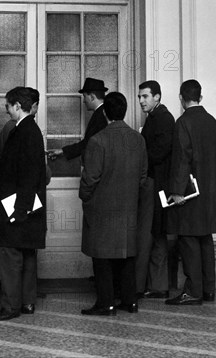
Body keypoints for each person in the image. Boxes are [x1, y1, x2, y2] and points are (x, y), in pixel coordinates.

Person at [79, 92, 147, 316]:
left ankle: (106, 303)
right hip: (129, 206)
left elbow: (90, 178)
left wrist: (85, 197)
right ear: (125, 110)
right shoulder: (138, 139)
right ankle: (130, 301)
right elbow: (143, 176)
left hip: (102, 207)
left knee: (102, 257)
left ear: (105, 112)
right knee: (127, 255)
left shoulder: (98, 140)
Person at [0, 87, 47, 321]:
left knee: (11, 254)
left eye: (8, 105)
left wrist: (19, 210)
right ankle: (27, 302)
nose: (6, 110)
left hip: (18, 205)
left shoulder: (23, 131)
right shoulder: (31, 130)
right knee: (27, 254)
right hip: (27, 204)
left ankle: (10, 306)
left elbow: (27, 174)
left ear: (17, 106)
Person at [165, 79, 216, 305]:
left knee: (188, 239)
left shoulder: (183, 122)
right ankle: (208, 290)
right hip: (209, 190)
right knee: (205, 238)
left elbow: (181, 160)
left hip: (190, 192)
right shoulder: (211, 121)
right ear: (200, 97)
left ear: (181, 98)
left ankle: (193, 291)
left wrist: (177, 191)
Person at [136, 81, 175, 299]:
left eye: (145, 96)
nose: (141, 101)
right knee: (156, 233)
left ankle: (157, 285)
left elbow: (159, 152)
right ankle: (157, 284)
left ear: (157, 97)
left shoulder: (162, 118)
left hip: (157, 184)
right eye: (140, 97)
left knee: (155, 233)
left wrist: (138, 161)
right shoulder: (156, 117)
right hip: (155, 183)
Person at [48, 77, 108, 163]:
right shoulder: (102, 113)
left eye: (84, 96)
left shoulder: (101, 115)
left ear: (92, 97)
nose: (84, 101)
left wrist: (63, 151)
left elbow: (88, 144)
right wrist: (63, 151)